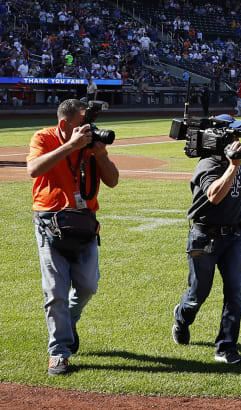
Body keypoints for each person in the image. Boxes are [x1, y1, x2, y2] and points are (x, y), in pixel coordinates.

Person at [27, 99, 120, 375]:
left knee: (89, 285)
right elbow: (33, 170)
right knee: (55, 290)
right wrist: (70, 146)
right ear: (65, 125)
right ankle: (59, 352)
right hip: (50, 223)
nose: (88, 131)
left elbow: (113, 181)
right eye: (83, 126)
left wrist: (100, 154)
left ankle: (68, 322)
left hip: (84, 223)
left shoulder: (90, 146)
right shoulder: (43, 137)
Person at [171, 114, 241, 364]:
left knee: (235, 294)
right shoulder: (207, 164)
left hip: (234, 237)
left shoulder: (232, 160)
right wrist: (232, 166)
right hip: (205, 238)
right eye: (234, 134)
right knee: (198, 294)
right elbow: (214, 196)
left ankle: (226, 347)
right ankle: (182, 316)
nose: (238, 139)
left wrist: (234, 163)